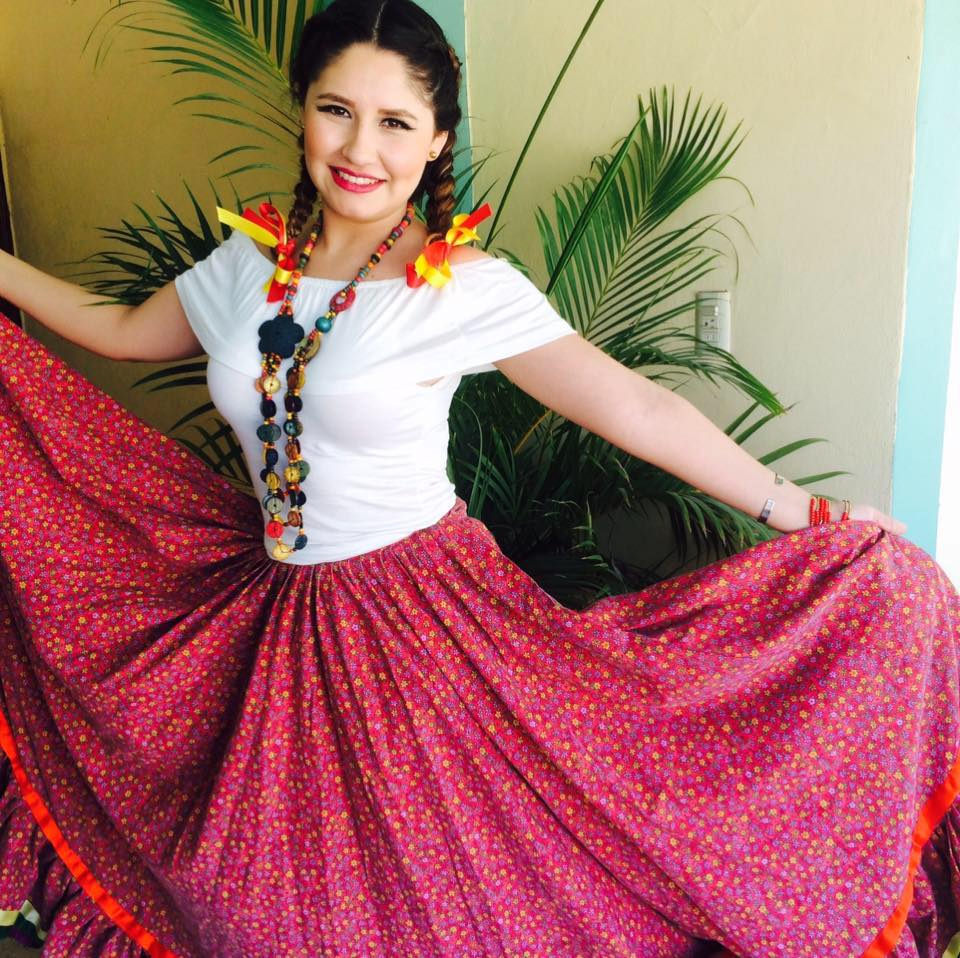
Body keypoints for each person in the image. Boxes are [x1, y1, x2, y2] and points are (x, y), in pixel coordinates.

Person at [0, 0, 956, 955]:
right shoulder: (247, 265)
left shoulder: (461, 286)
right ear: (303, 111)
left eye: (395, 122)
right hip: (278, 608)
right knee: (260, 902)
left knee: (464, 891)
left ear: (435, 141)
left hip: (417, 614)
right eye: (336, 110)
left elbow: (637, 410)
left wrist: (802, 509)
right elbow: (116, 331)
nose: (360, 149)